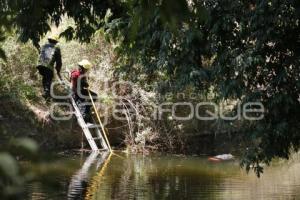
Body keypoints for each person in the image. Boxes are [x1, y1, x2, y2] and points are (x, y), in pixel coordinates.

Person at [37, 35, 62, 100]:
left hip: (40, 65)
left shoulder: (44, 46)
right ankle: (46, 93)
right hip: (48, 66)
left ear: (49, 40)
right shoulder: (57, 48)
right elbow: (59, 61)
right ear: (56, 42)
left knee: (45, 77)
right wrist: (58, 70)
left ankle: (46, 93)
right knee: (48, 78)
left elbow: (41, 54)